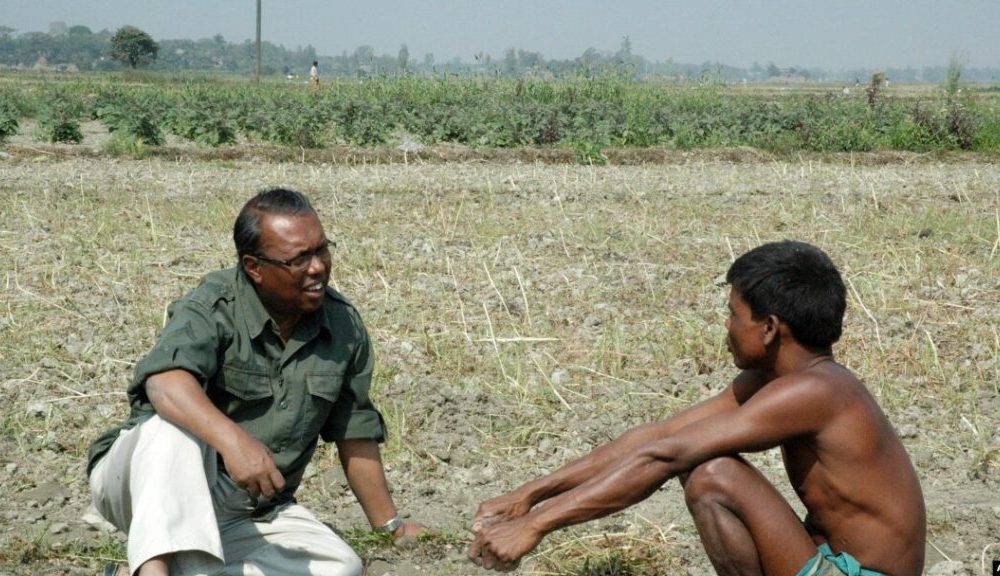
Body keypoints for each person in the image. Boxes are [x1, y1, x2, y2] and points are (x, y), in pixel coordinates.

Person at [469, 240, 926, 576]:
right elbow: (657, 437)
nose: (726, 327)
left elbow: (666, 456)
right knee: (702, 462)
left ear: (768, 328)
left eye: (732, 313)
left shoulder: (813, 392)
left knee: (713, 474)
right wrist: (528, 495)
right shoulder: (777, 380)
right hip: (825, 559)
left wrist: (536, 526)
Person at [87, 188, 425, 576]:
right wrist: (233, 441)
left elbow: (354, 430)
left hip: (247, 509)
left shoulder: (342, 325)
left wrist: (391, 527)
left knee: (341, 567)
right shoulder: (214, 306)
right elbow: (165, 384)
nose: (317, 267)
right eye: (299, 259)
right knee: (172, 431)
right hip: (142, 483)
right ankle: (154, 569)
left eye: (322, 250)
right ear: (254, 267)